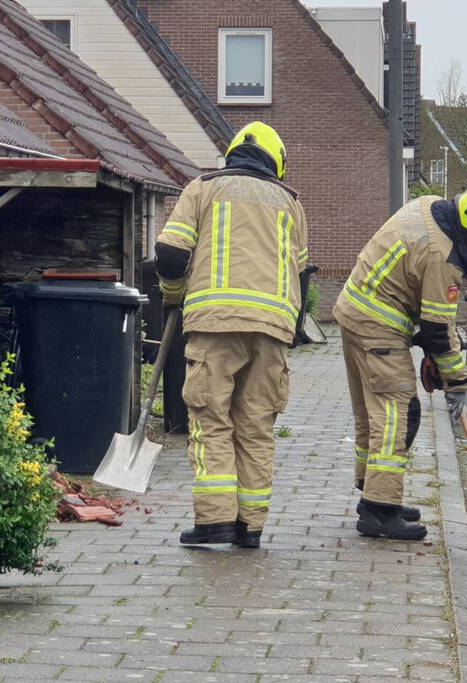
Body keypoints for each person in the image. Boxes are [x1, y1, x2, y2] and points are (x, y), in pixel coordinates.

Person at [333, 178, 467, 540]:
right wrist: (458, 384)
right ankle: (378, 511)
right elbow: (438, 330)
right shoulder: (443, 255)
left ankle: (373, 492)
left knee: (371, 412)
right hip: (378, 326)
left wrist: (429, 353)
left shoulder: (429, 206)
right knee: (397, 413)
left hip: (354, 312)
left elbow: (418, 298)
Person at [155, 121, 308, 548]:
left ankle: (214, 521)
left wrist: (173, 295)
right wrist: (290, 330)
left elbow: (169, 252)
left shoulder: (203, 188)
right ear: (276, 163)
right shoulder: (291, 202)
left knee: (211, 418)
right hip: (273, 329)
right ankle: (250, 527)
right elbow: (302, 274)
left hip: (216, 324)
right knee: (256, 427)